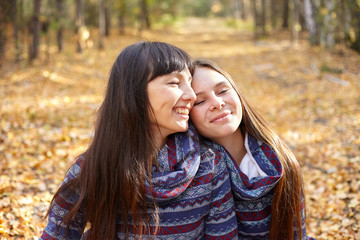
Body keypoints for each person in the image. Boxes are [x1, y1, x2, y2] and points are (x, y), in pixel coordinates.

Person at [39, 42, 238, 240]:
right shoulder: (93, 167)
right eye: (175, 83)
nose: (191, 96)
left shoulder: (209, 164)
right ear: (134, 93)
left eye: (189, 83)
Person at [189, 59, 315, 240]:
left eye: (223, 91)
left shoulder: (278, 160)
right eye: (200, 101)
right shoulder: (193, 176)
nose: (217, 103)